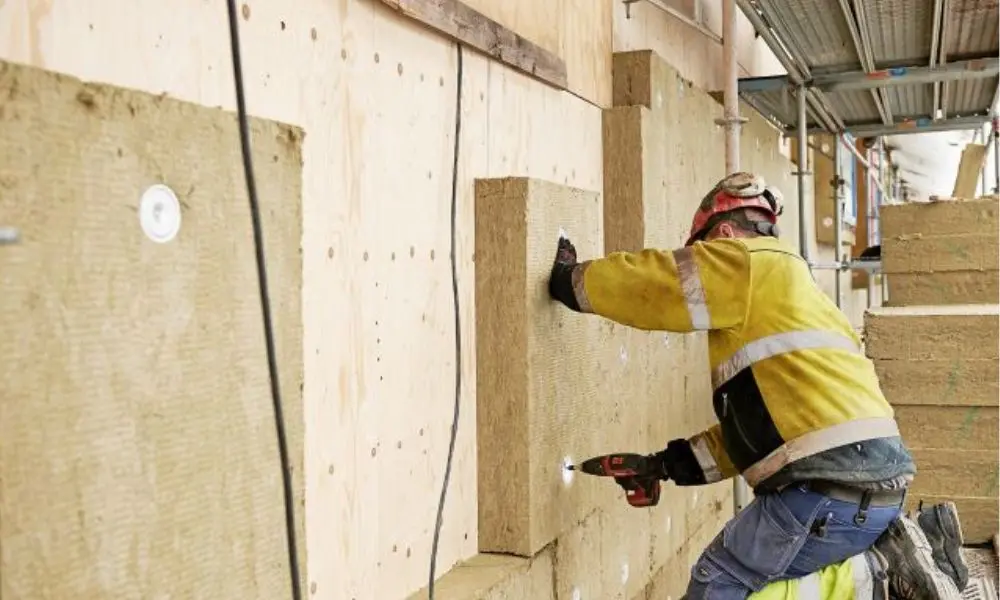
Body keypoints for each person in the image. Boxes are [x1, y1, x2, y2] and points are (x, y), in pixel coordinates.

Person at [547, 172, 966, 600]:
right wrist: (663, 466)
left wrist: (570, 283)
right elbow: (765, 436)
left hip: (826, 489)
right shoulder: (800, 300)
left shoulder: (747, 261)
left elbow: (654, 283)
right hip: (872, 493)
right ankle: (879, 572)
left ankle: (876, 579)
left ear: (724, 235)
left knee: (719, 582)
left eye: (702, 253)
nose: (702, 263)